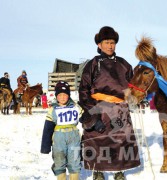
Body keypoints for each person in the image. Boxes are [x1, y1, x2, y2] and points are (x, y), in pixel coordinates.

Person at [79, 26, 140, 180]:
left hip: (120, 109)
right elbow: (84, 90)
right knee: (98, 140)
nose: (110, 45)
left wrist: (134, 97)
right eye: (106, 42)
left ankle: (120, 171)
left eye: (112, 42)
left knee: (120, 139)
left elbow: (132, 86)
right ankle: (97, 171)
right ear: (99, 45)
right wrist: (92, 115)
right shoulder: (93, 64)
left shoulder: (124, 64)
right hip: (99, 108)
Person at [41, 81, 82, 180]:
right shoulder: (52, 109)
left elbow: (85, 118)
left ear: (68, 95)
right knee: (59, 161)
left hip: (74, 138)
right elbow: (48, 129)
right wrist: (45, 146)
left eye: (65, 95)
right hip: (59, 139)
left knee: (75, 160)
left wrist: (93, 123)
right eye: (60, 95)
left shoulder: (75, 107)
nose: (62, 97)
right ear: (56, 96)